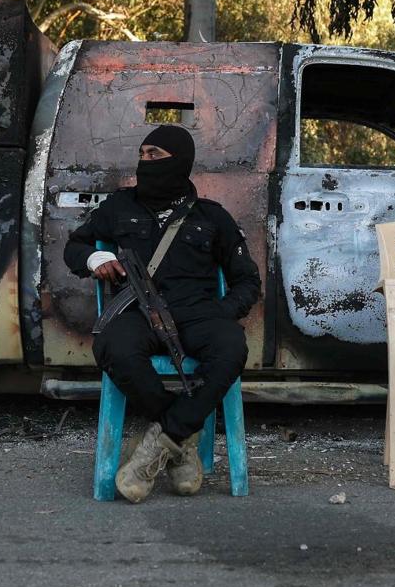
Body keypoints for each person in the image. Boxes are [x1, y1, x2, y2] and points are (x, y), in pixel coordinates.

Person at [64, 125, 261, 503]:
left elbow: (247, 281)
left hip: (197, 314)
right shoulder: (119, 208)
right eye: (142, 154)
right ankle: (181, 438)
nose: (144, 162)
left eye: (154, 155)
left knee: (231, 345)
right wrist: (96, 257)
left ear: (180, 161)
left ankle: (160, 441)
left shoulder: (212, 217)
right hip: (138, 312)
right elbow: (76, 244)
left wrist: (220, 314)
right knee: (113, 347)